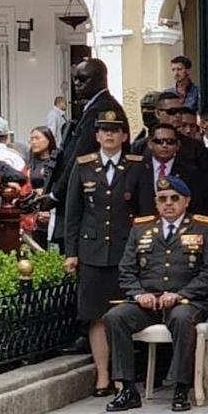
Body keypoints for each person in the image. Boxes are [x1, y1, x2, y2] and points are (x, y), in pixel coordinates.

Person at [104, 176, 208, 413]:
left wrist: (180, 294)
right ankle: (126, 388)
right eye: (163, 199)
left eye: (174, 198)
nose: (168, 203)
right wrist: (138, 294)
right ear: (156, 203)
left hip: (187, 300)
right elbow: (126, 269)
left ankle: (179, 387)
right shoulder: (141, 228)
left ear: (186, 201)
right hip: (148, 302)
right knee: (115, 317)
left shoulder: (203, 227)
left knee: (181, 318)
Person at [63, 111, 145, 397]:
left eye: (115, 130)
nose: (109, 135)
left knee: (121, 313)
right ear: (96, 136)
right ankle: (103, 375)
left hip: (126, 252)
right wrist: (71, 252)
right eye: (104, 130)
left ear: (124, 135)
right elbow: (73, 213)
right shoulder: (84, 165)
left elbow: (145, 214)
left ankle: (124, 376)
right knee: (96, 316)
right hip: (92, 251)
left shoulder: (136, 166)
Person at [41, 59, 127, 243]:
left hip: (92, 190)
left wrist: (56, 194)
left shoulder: (103, 108)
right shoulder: (92, 108)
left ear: (101, 79)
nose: (77, 84)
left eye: (83, 79)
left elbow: (80, 157)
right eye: (75, 79)